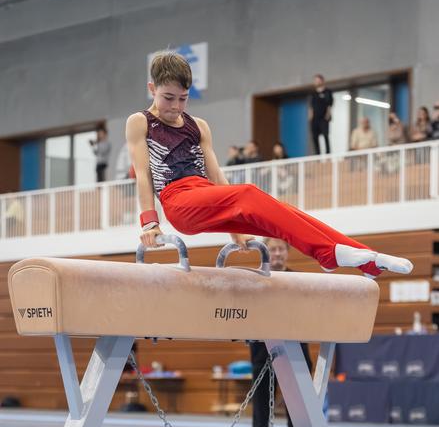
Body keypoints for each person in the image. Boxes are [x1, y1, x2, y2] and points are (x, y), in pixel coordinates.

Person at [126, 51, 413, 279]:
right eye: (168, 98)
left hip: (207, 197)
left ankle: (366, 260)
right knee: (249, 194)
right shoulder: (140, 122)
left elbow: (216, 177)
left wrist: (235, 229)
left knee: (283, 214)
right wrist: (151, 223)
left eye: (183, 99)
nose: (176, 106)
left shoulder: (197, 126)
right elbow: (143, 176)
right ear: (152, 88)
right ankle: (329, 254)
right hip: (178, 202)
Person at [250, 237, 314, 427]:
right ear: (265, 254)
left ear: (287, 253)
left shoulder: (298, 282)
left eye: (280, 250)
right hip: (262, 351)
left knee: (298, 412)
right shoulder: (256, 280)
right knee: (261, 412)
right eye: (272, 250)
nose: (277, 254)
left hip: (295, 351)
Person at [310, 74, 333, 155]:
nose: (316, 82)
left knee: (325, 135)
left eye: (318, 80)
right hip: (315, 119)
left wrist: (327, 115)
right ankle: (317, 155)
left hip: (323, 118)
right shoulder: (313, 93)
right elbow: (311, 107)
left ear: (322, 81)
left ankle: (328, 153)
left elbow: (329, 105)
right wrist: (311, 117)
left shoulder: (328, 92)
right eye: (315, 80)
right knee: (315, 137)